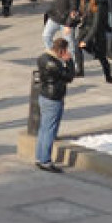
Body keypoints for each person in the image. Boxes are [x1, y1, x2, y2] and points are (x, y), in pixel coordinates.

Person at [35, 37, 76, 171]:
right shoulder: (55, 64)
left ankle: (40, 157)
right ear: (62, 50)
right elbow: (69, 76)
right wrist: (69, 61)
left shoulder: (42, 58)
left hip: (44, 95)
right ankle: (45, 161)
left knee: (43, 128)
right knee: (50, 130)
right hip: (54, 98)